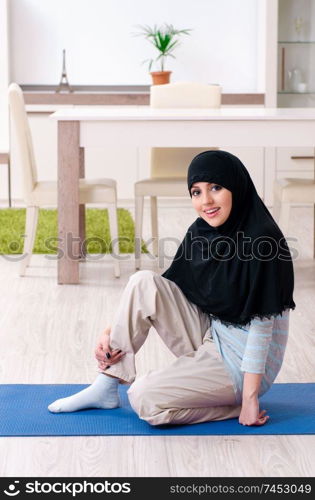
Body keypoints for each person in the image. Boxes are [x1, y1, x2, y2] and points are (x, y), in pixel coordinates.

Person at [48, 150, 295, 427]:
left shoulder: (264, 241)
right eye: (196, 192)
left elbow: (262, 329)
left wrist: (250, 398)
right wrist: (109, 332)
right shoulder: (203, 231)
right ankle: (106, 384)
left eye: (216, 187)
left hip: (243, 366)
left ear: (237, 186)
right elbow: (169, 288)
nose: (206, 201)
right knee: (143, 282)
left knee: (143, 397)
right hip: (211, 335)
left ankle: (234, 403)